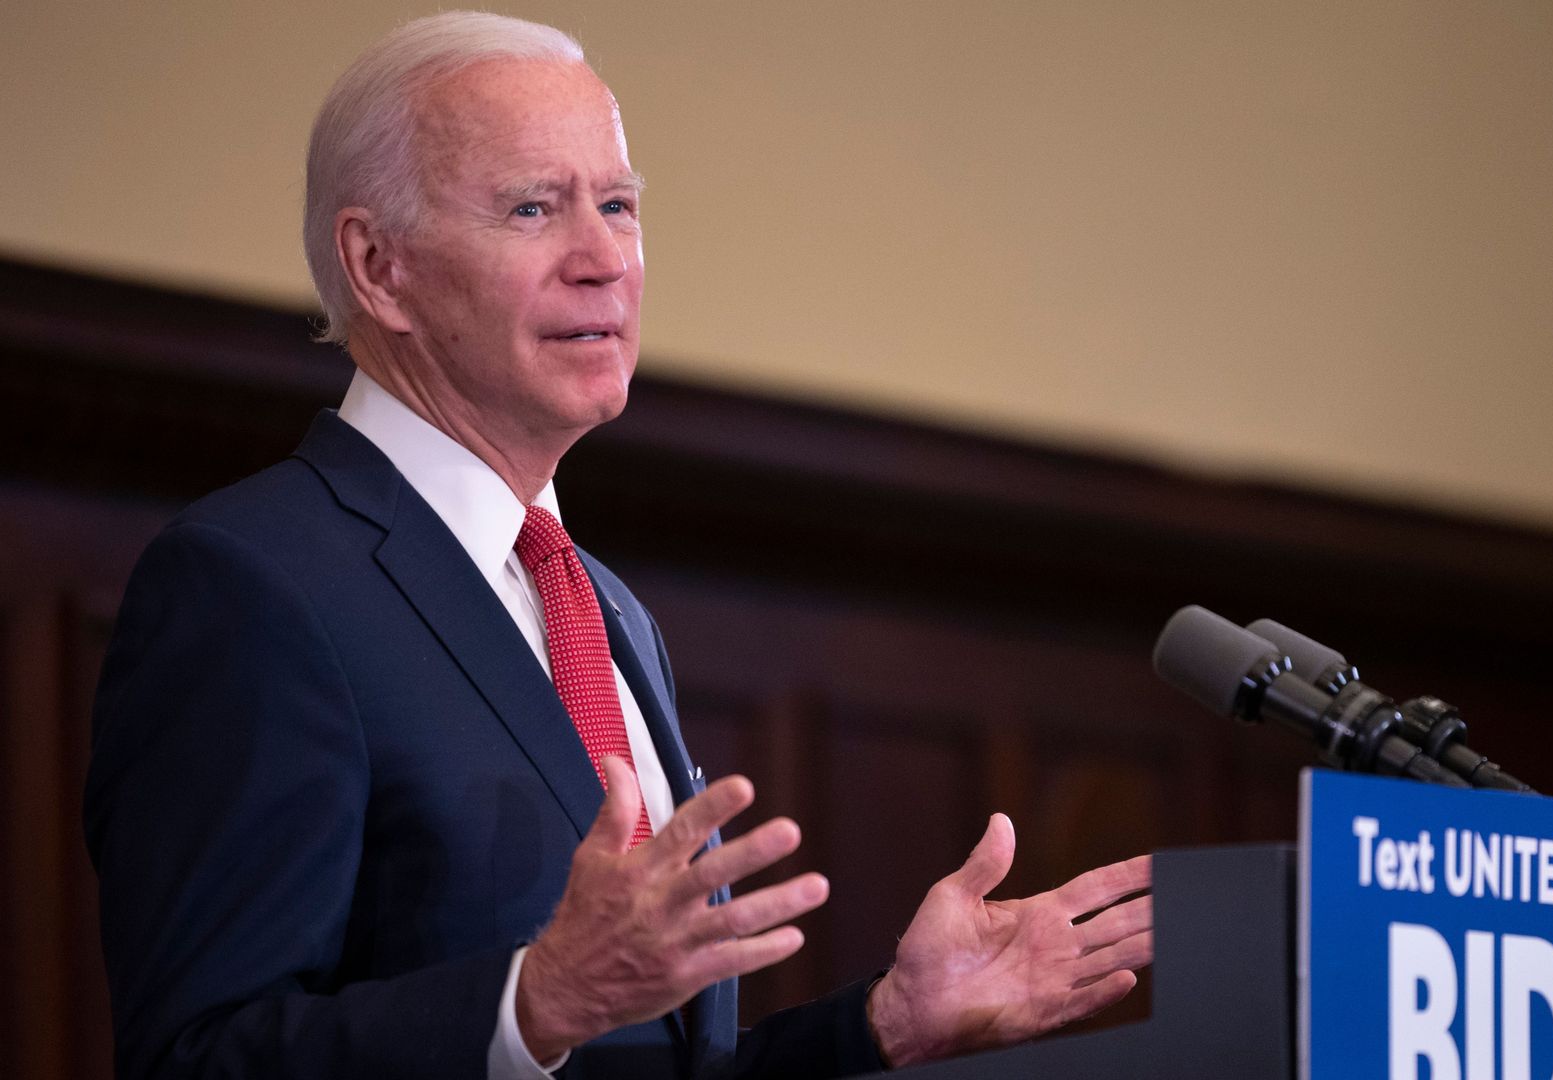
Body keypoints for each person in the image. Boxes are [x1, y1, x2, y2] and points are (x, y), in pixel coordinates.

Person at [82, 11, 1152, 1080]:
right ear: (380, 267)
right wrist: (529, 1008)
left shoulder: (603, 607)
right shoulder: (254, 583)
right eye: (533, 207)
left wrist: (884, 1027)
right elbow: (196, 1058)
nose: (602, 259)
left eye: (620, 205)